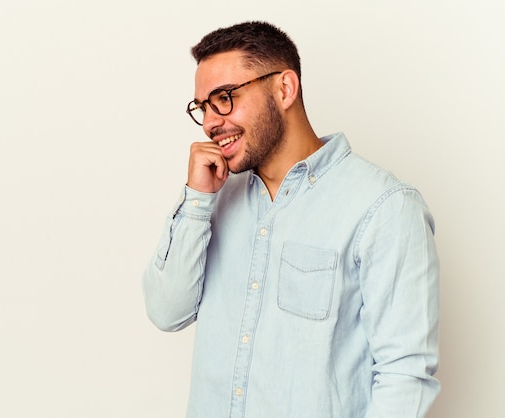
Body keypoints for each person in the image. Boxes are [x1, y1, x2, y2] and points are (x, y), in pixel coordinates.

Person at [142, 20, 440, 418]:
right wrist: (197, 201)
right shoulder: (214, 199)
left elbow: (406, 375)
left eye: (225, 97)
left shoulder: (384, 207)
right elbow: (167, 312)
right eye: (203, 107)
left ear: (285, 89)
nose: (212, 122)